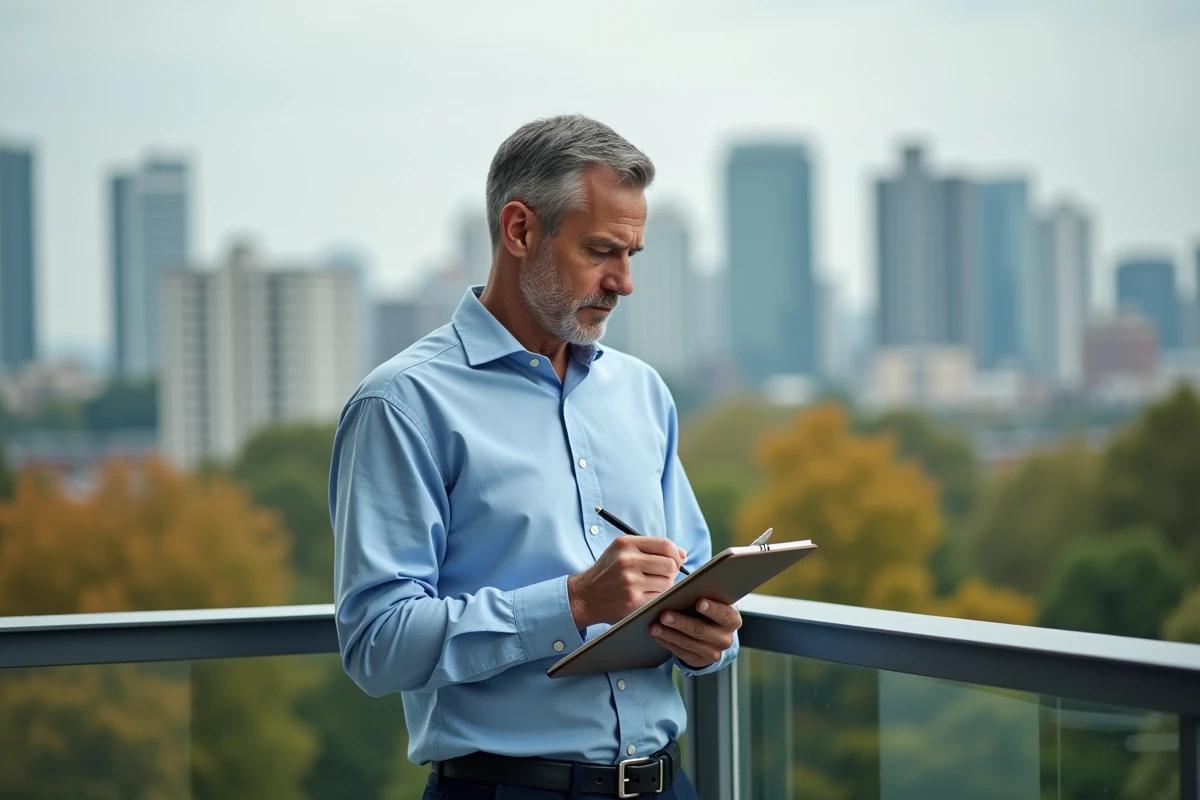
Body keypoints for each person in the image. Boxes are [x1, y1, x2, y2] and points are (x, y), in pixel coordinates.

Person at [329, 114, 741, 799]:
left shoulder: (641, 393)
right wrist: (575, 602)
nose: (623, 282)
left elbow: (692, 572)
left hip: (670, 785)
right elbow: (376, 643)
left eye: (632, 255)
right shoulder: (402, 405)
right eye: (602, 250)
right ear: (519, 231)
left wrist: (711, 636)